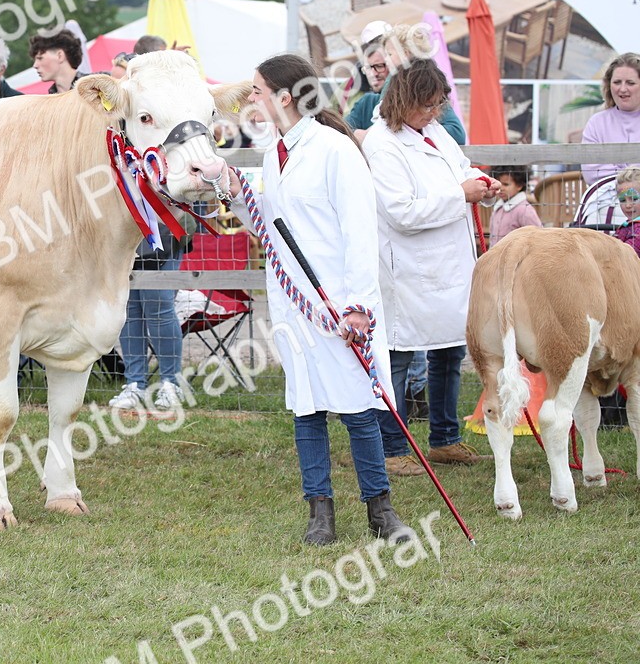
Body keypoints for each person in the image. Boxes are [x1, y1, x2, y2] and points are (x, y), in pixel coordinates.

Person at [220, 53, 412, 546]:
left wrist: (359, 306)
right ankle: (319, 510)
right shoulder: (273, 153)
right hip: (293, 304)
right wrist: (227, 184)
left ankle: (380, 508)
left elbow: (359, 232)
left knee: (356, 405)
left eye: (258, 91)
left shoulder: (334, 149)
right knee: (305, 404)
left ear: (284, 97)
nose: (252, 101)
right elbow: (271, 221)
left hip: (340, 304)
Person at [363, 58, 499, 476]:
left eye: (439, 104)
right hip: (407, 269)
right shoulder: (381, 144)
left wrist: (481, 183)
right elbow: (402, 212)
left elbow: (460, 170)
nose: (435, 113)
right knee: (400, 358)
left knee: (450, 352)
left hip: (449, 266)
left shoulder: (435, 132)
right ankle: (392, 447)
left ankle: (445, 438)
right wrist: (462, 195)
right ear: (404, 101)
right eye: (427, 105)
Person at [108, 222, 190, 412]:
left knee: (158, 305)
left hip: (166, 227)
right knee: (129, 309)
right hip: (125, 229)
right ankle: (135, 385)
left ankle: (171, 384)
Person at [368, 24, 467, 144]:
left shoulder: (427, 82)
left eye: (389, 54)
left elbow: (457, 133)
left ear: (404, 53)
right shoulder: (395, 80)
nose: (386, 61)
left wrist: (422, 133)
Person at [580, 53, 640, 224]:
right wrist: (633, 177)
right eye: (617, 82)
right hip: (606, 204)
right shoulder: (597, 122)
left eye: (630, 83)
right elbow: (593, 173)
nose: (622, 89)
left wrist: (621, 171)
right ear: (608, 86)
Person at [345, 21, 392, 135]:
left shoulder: (415, 96)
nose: (373, 74)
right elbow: (339, 131)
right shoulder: (365, 101)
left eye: (379, 66)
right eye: (367, 68)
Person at [489, 166, 542, 246]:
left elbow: (538, 236)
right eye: (498, 184)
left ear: (519, 185)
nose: (501, 188)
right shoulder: (498, 208)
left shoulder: (524, 210)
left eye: (506, 184)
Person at [29, 29, 83, 94]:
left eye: (40, 58)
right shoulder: (48, 102)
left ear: (60, 56)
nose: (35, 65)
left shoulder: (95, 88)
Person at [613, 166, 640, 256]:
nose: (628, 205)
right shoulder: (627, 225)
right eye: (622, 200)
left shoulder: (638, 229)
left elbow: (627, 254)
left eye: (634, 199)